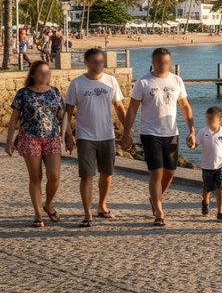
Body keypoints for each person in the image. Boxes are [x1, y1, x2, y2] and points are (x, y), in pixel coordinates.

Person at [122, 48, 195, 227]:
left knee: (170, 172)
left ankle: (155, 199)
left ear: (170, 62)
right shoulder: (143, 82)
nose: (164, 65)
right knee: (156, 172)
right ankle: (159, 211)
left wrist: (192, 130)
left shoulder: (177, 80)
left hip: (171, 133)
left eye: (167, 61)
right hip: (149, 133)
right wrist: (126, 132)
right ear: (153, 62)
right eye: (160, 61)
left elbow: (184, 106)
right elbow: (132, 109)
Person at [64, 48, 128, 227]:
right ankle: (87, 213)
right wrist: (69, 134)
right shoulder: (77, 84)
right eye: (95, 61)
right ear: (86, 62)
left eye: (101, 61)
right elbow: (67, 113)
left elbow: (119, 107)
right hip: (85, 136)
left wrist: (127, 131)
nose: (98, 64)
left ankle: (102, 205)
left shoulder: (111, 81)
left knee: (107, 174)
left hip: (107, 135)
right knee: (86, 176)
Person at [5, 61, 65, 227]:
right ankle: (38, 214)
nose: (46, 76)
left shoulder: (55, 92)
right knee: (36, 177)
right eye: (42, 73)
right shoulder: (23, 93)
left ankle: (48, 204)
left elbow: (63, 114)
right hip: (30, 138)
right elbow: (14, 119)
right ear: (32, 75)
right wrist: (9, 141)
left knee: (54, 177)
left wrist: (65, 123)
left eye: (48, 72)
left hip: (52, 138)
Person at [189, 106, 222, 222]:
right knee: (207, 189)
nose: (208, 122)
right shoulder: (203, 132)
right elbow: (195, 144)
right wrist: (191, 144)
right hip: (207, 166)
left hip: (221, 165)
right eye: (206, 119)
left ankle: (220, 212)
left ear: (219, 120)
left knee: (220, 188)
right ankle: (205, 202)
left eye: (210, 120)